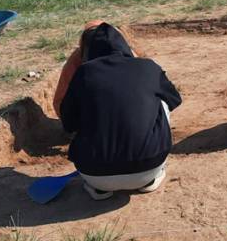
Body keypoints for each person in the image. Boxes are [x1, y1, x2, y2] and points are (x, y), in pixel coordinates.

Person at [58, 22, 182, 200]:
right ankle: (148, 181)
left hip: (93, 173)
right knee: (161, 101)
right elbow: (175, 100)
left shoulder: (84, 72)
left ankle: (100, 189)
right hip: (148, 166)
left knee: (84, 108)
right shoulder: (148, 67)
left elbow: (68, 123)